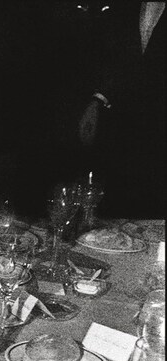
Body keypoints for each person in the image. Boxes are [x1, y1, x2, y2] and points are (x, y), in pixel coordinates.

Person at [77, 1, 165, 219]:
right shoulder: (123, 9)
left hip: (161, 133)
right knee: (114, 209)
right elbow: (112, 61)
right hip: (124, 130)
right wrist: (97, 101)